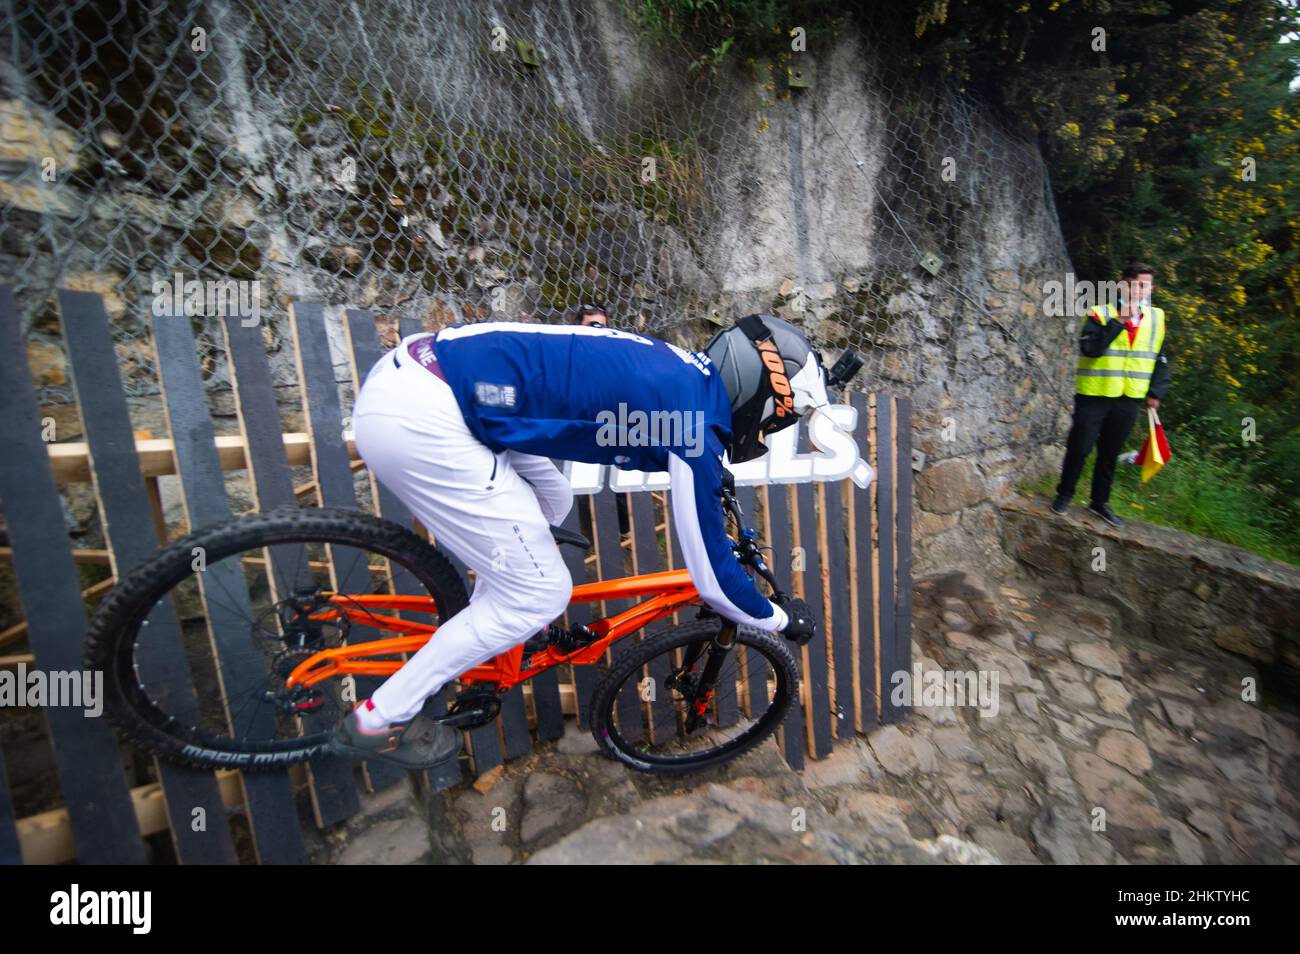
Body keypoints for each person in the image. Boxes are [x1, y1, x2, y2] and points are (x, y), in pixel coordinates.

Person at [329, 314, 826, 768]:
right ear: (765, 388)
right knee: (542, 593)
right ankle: (379, 719)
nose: (767, 429)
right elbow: (713, 579)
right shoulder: (694, 425)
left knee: (555, 498)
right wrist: (778, 618)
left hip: (422, 374)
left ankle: (492, 624)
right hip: (428, 417)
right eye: (777, 417)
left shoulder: (683, 374)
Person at [1051, 262, 1171, 527]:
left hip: (1129, 398)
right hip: (1095, 395)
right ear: (1123, 285)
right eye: (1137, 284)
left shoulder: (1157, 317)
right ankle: (1065, 494)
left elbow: (1160, 357)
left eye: (1147, 285)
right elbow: (1090, 350)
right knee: (1080, 447)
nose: (1141, 291)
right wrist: (1118, 322)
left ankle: (1099, 502)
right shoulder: (1099, 313)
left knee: (1110, 452)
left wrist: (1156, 392)